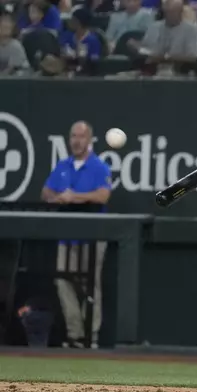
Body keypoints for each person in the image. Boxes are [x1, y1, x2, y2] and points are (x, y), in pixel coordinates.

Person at [41, 121, 111, 349]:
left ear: (89, 140)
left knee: (91, 285)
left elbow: (102, 196)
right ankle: (76, 335)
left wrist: (74, 197)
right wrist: (58, 197)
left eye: (81, 136)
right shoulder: (63, 165)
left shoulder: (99, 166)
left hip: (92, 237)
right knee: (62, 281)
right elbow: (46, 192)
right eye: (73, 136)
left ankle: (92, 336)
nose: (76, 140)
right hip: (66, 236)